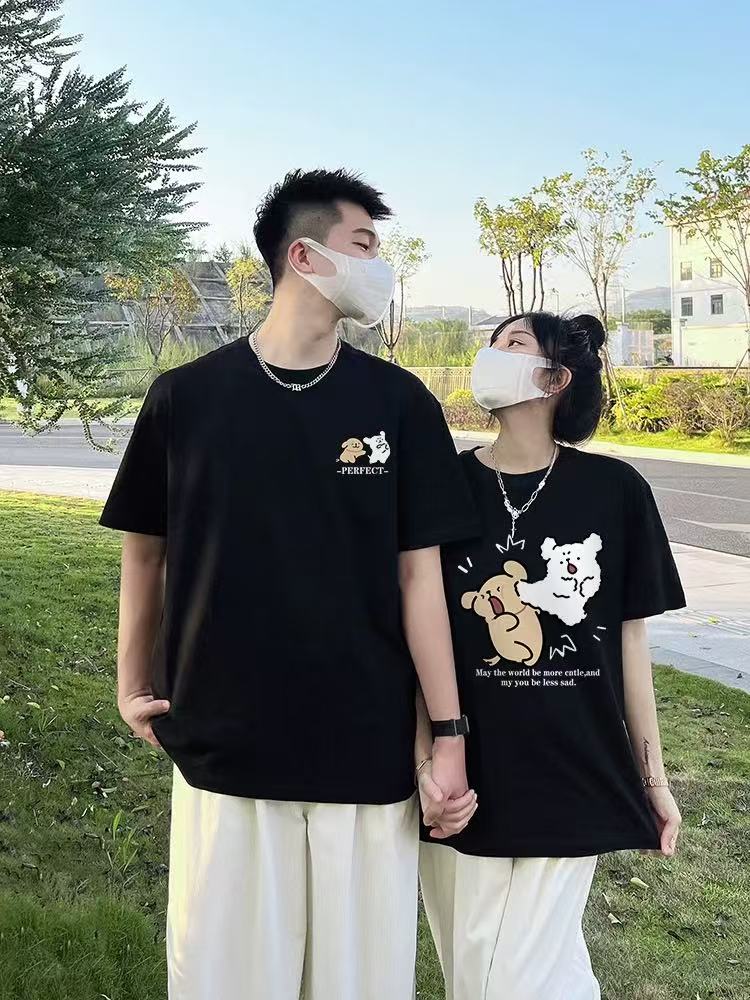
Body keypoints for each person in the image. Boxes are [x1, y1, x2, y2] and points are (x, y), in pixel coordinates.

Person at [99, 168, 480, 1000]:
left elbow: (420, 577)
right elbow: (144, 553)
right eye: (364, 245)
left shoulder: (400, 403)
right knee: (225, 980)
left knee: (359, 983)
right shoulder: (186, 398)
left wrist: (448, 734)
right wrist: (130, 683)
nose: (380, 267)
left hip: (366, 751)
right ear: (304, 256)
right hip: (223, 746)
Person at [415, 311, 686, 1000]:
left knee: (520, 978)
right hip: (466, 774)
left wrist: (653, 779)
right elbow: (414, 636)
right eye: (490, 343)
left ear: (554, 378)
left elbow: (630, 644)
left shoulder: (616, 492)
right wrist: (424, 761)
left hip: (574, 766)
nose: (489, 354)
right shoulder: (442, 486)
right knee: (472, 971)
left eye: (512, 343)